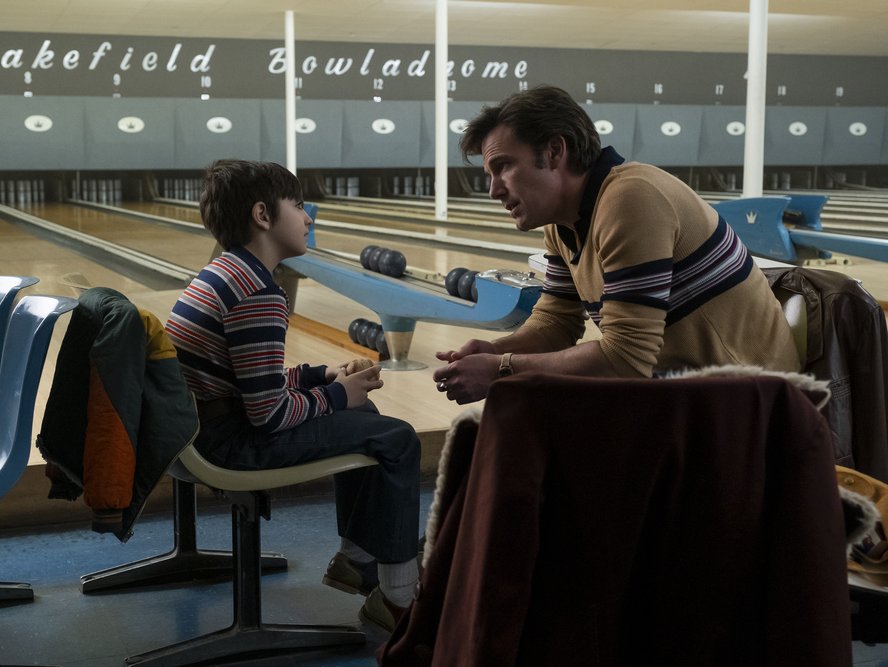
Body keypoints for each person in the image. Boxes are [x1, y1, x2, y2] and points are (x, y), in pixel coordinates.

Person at [165, 159, 421, 633]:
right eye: (299, 206)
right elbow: (267, 413)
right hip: (227, 444)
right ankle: (400, 597)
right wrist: (338, 396)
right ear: (263, 215)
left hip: (199, 429)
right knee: (398, 439)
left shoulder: (225, 271)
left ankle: (359, 559)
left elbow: (250, 379)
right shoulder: (258, 292)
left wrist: (324, 374)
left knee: (370, 414)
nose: (308, 218)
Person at [434, 85, 800, 404]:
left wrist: (501, 369)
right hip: (688, 392)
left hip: (751, 400)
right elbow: (556, 322)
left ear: (554, 152)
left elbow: (626, 359)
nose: (494, 189)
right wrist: (497, 350)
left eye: (503, 166)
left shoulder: (631, 199)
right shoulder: (564, 223)